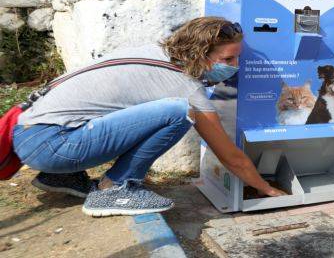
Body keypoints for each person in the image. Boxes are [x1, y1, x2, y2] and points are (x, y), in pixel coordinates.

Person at [12, 17, 285, 217]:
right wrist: (265, 188)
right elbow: (230, 156)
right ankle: (115, 190)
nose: (235, 67)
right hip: (53, 145)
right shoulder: (185, 86)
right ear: (201, 55)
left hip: (31, 134)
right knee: (179, 112)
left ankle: (63, 177)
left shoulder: (153, 53)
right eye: (228, 60)